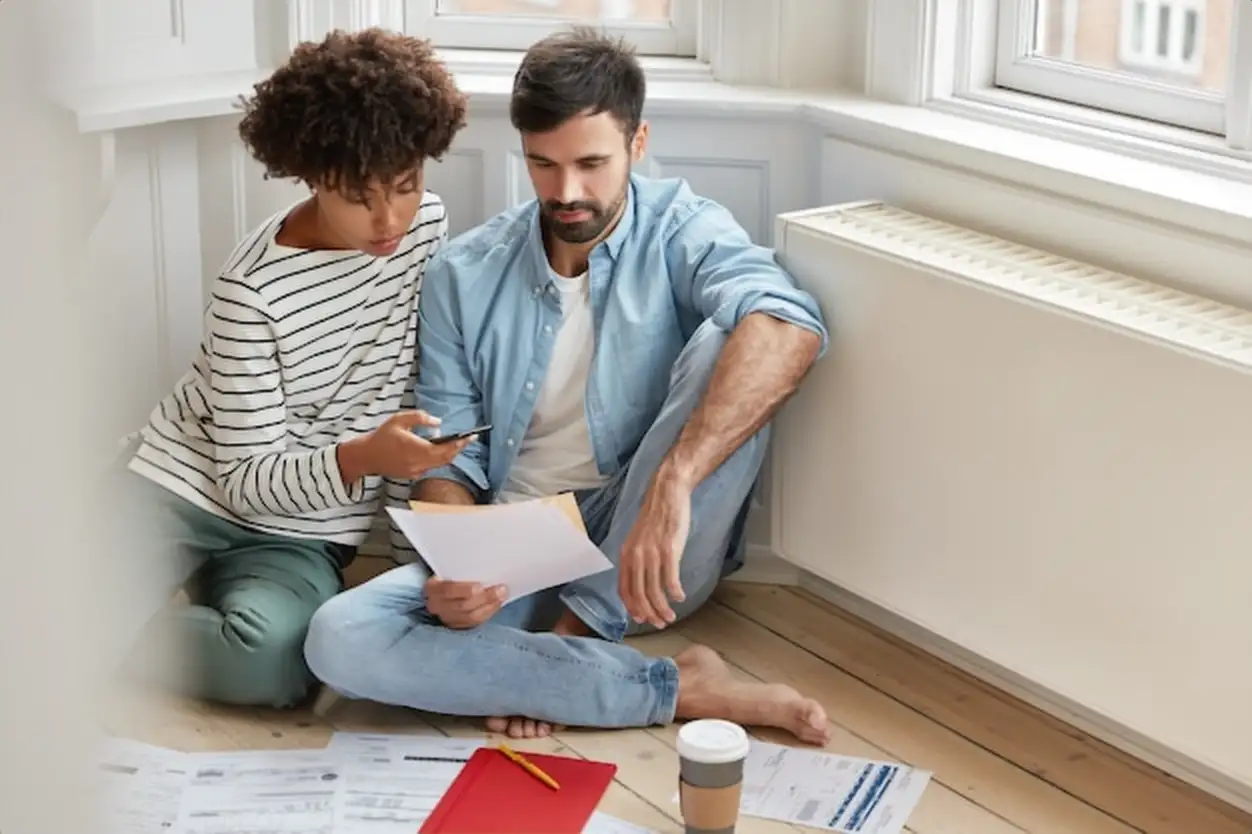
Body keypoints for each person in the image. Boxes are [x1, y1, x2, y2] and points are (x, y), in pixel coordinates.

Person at [303, 27, 833, 744]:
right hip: (521, 543)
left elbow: (788, 327)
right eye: (543, 165)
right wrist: (462, 561)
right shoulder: (464, 273)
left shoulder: (683, 230)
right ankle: (666, 685)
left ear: (637, 143)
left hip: (647, 542)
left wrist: (674, 482)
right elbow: (449, 458)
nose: (567, 192)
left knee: (732, 336)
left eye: (591, 163)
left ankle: (575, 641)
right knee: (338, 636)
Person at [96, 28, 471, 710]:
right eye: (359, 195)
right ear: (312, 174)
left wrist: (417, 555)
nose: (389, 216)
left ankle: (117, 634)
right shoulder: (252, 291)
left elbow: (416, 379)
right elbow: (242, 481)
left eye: (406, 185)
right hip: (177, 488)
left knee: (275, 666)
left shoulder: (427, 229)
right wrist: (361, 457)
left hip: (302, 532)